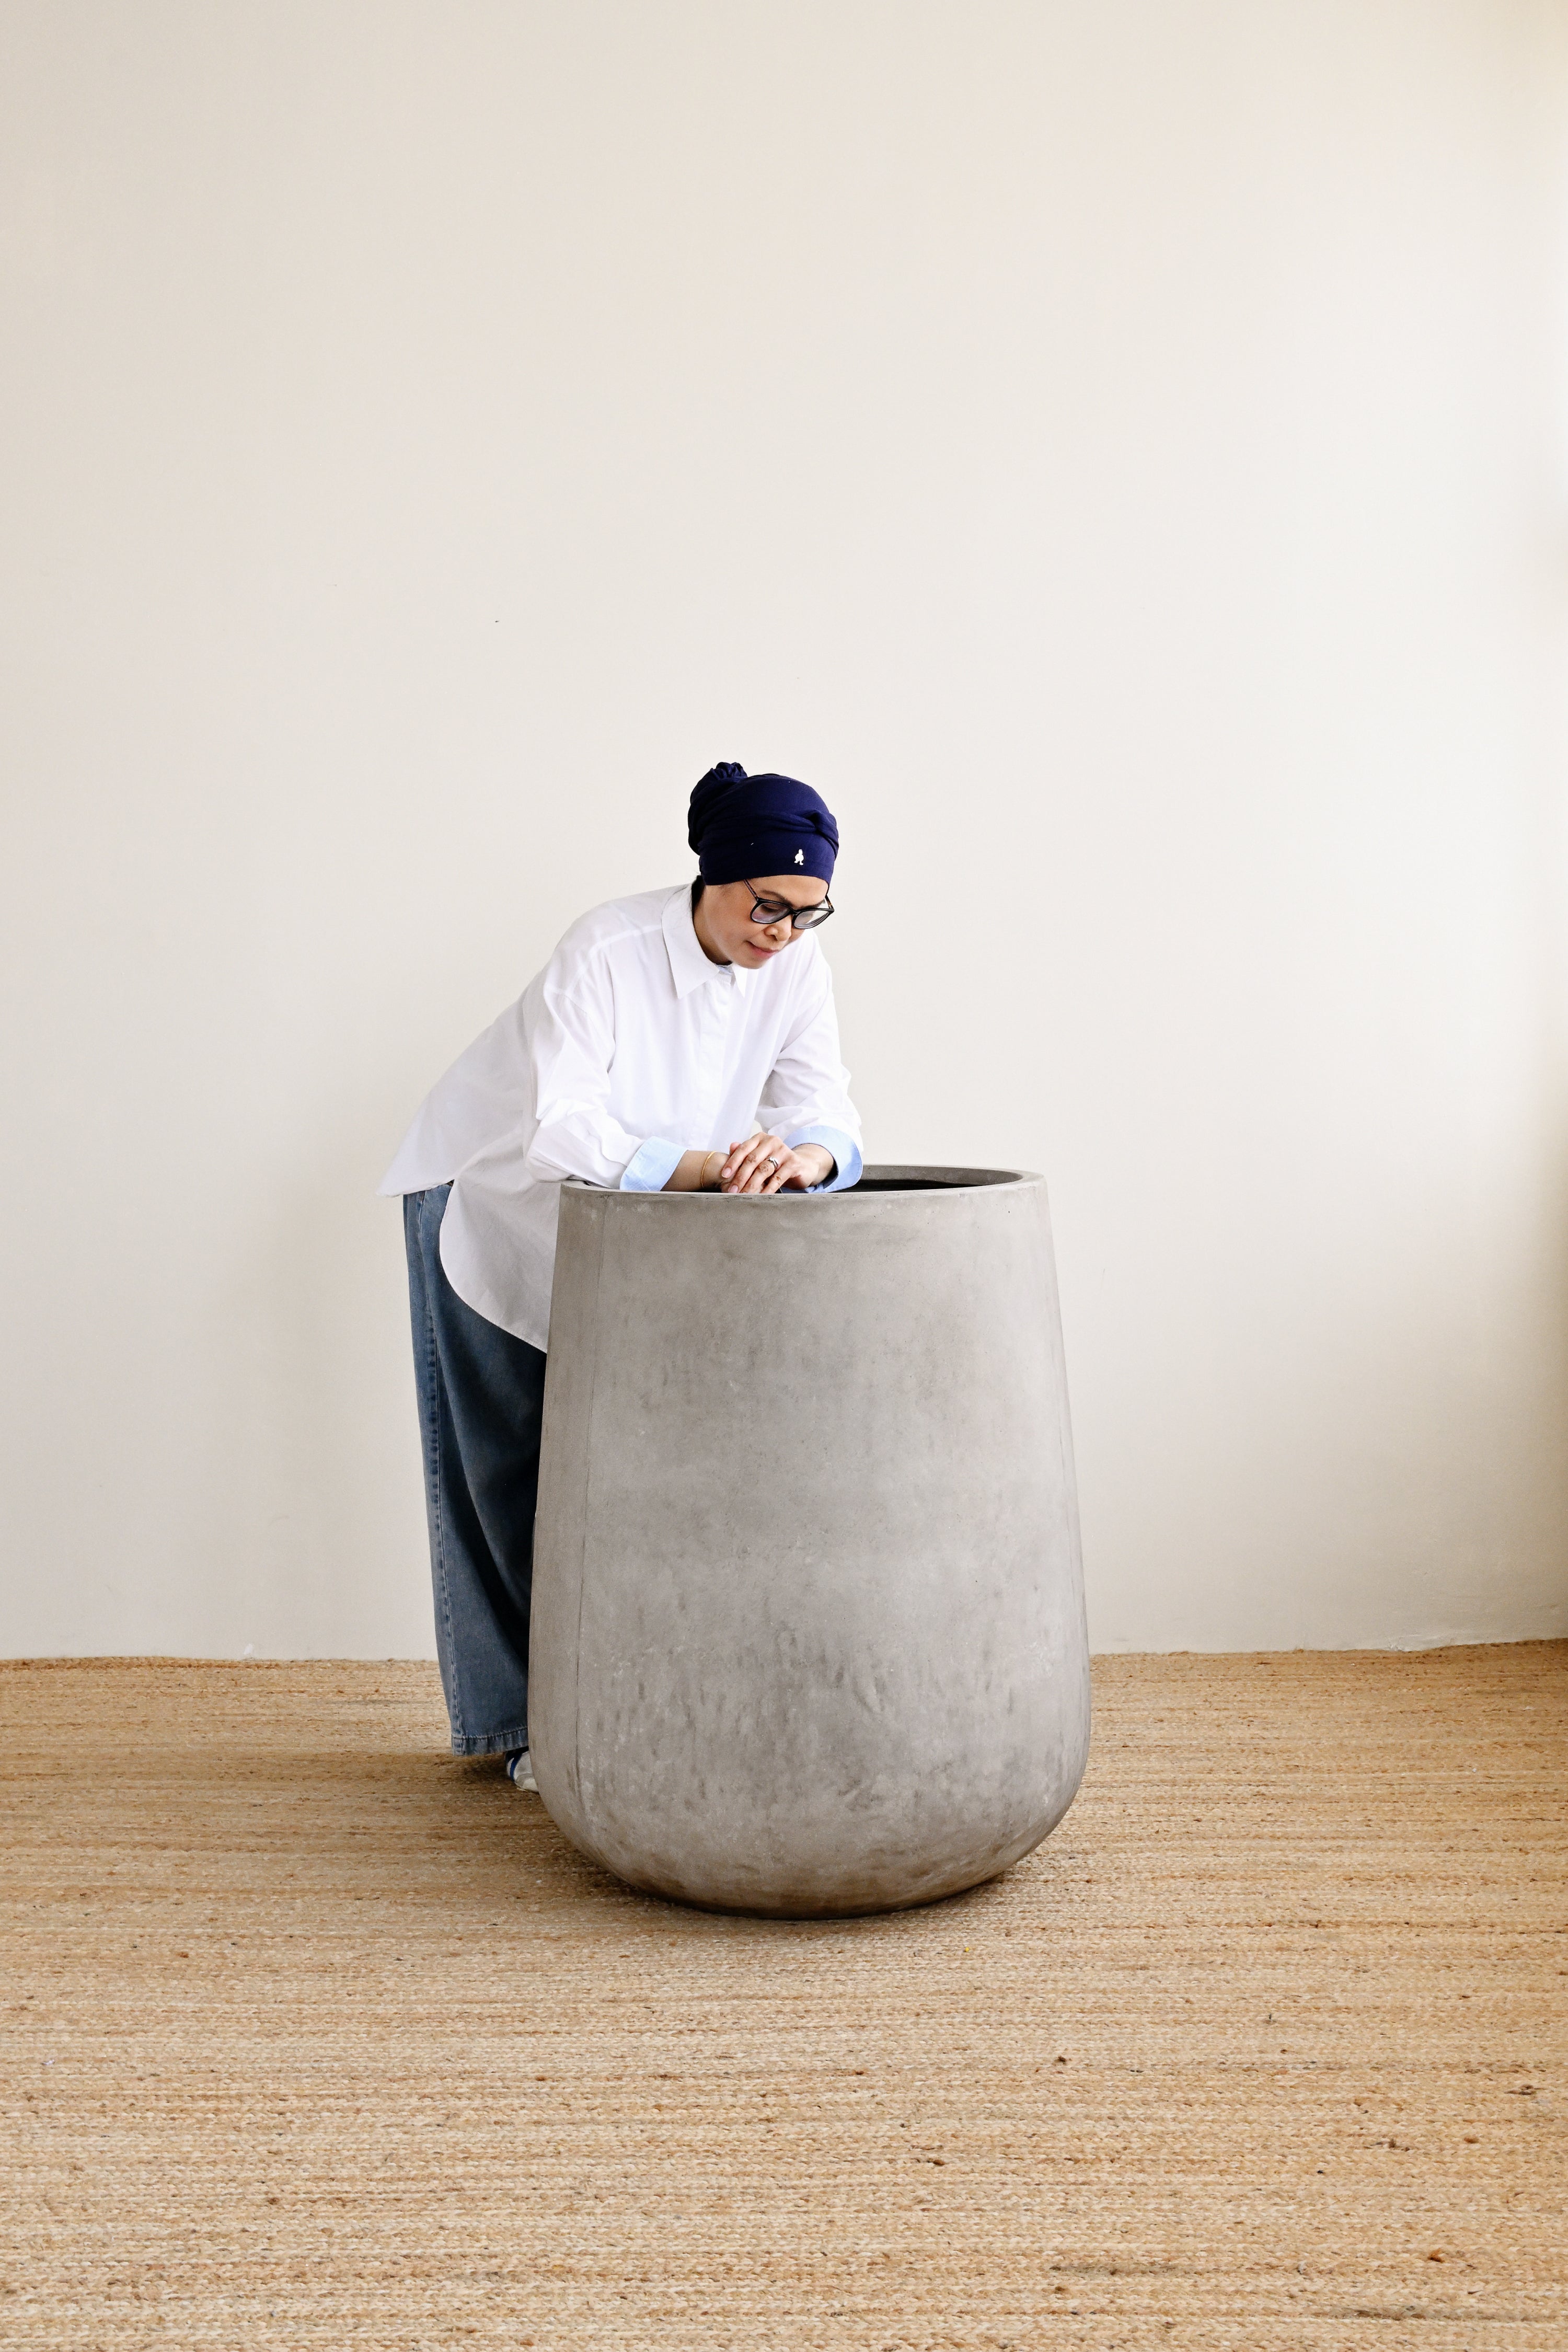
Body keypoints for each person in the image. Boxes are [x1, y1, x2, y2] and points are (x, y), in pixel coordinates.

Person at [379, 762, 863, 1791]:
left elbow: (828, 1113)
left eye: (807, 915)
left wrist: (797, 1160)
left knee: (630, 1478)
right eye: (767, 906)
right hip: (496, 1204)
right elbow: (563, 1124)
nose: (781, 933)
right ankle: (520, 1732)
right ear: (715, 876)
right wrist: (715, 1168)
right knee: (504, 1470)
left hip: (636, 1229)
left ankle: (614, 1709)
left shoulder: (795, 969)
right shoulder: (607, 947)